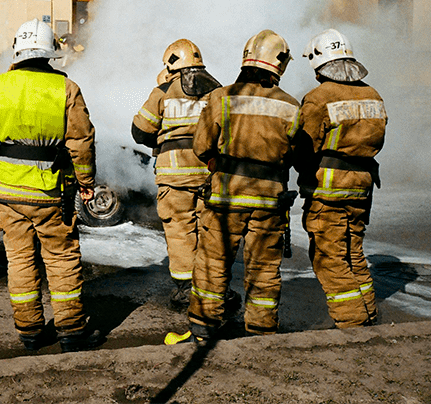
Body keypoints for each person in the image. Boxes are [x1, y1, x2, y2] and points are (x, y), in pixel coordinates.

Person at [0, 19, 103, 353]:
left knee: (20, 260)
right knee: (60, 259)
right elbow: (81, 142)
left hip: (6, 192)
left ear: (18, 49)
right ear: (50, 53)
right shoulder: (66, 89)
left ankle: (29, 331)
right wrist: (86, 183)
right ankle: (71, 330)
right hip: (50, 192)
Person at [167, 30, 302, 346]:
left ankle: (203, 331)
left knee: (213, 264)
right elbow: (297, 154)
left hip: (226, 197)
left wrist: (218, 161)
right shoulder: (291, 106)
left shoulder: (221, 97)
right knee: (264, 270)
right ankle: (260, 333)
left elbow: (202, 146)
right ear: (279, 65)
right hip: (271, 200)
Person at [295, 29, 387, 329]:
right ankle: (369, 313)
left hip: (328, 190)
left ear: (318, 63)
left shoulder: (319, 97)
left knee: (329, 258)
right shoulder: (372, 93)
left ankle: (352, 325)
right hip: (362, 189)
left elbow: (303, 146)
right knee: (353, 252)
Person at [132, 39, 221, 310]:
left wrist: (162, 137)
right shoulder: (218, 91)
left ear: (171, 63)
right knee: (209, 231)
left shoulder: (162, 92)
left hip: (175, 177)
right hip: (209, 175)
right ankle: (213, 288)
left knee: (181, 232)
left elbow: (140, 132)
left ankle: (186, 291)